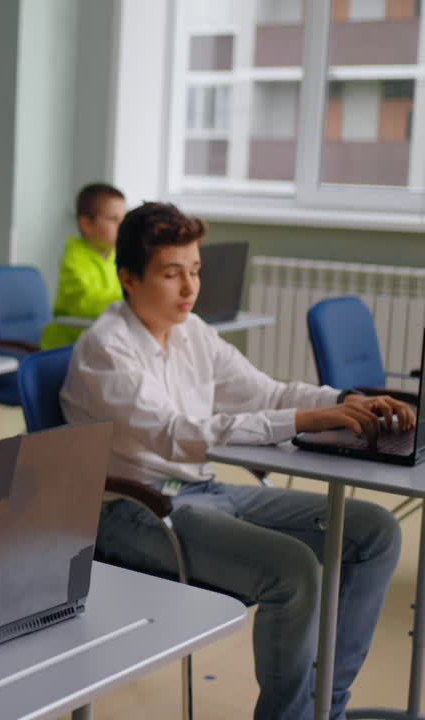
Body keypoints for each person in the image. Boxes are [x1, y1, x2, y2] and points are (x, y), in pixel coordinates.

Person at [61, 201, 405, 720]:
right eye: (172, 273)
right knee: (294, 571)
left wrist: (343, 400)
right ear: (129, 278)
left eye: (194, 271)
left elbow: (266, 392)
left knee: (374, 530)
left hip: (203, 493)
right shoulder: (104, 351)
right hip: (133, 510)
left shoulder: (191, 331)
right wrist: (304, 421)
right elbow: (178, 434)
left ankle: (323, 709)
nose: (189, 288)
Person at [40, 183, 127, 348]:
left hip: (103, 339)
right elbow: (86, 302)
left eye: (124, 219)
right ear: (87, 225)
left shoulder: (116, 255)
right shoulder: (74, 258)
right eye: (114, 220)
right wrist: (134, 300)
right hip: (68, 347)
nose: (122, 226)